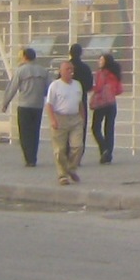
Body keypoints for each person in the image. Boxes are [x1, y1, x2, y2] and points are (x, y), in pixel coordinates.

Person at [43, 58, 88, 186]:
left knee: (77, 146)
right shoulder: (55, 86)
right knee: (60, 150)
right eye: (67, 69)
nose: (70, 72)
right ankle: (62, 175)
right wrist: (52, 119)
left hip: (75, 119)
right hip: (60, 118)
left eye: (72, 69)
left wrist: (82, 118)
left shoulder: (77, 85)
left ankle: (71, 168)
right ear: (61, 71)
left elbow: (80, 103)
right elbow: (49, 105)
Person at [0, 46, 47, 167]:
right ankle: (33, 157)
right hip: (38, 106)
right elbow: (48, 89)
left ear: (25, 57)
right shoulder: (43, 71)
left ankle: (28, 158)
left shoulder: (21, 71)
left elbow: (12, 88)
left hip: (24, 105)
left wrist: (5, 103)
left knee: (25, 133)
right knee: (35, 132)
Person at [90, 53, 123, 164]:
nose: (99, 62)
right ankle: (108, 154)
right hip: (112, 103)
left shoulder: (101, 73)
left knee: (95, 127)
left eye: (101, 60)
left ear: (105, 62)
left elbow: (98, 87)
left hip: (101, 104)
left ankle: (104, 148)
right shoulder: (115, 74)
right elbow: (119, 90)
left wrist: (93, 89)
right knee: (109, 129)